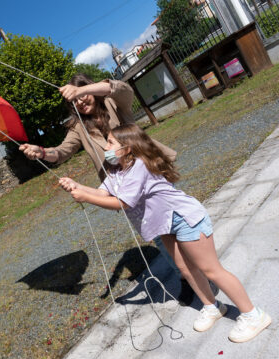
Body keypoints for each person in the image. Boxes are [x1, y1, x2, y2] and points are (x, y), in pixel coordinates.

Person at [58, 123, 272, 342]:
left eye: (111, 142)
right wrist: (78, 186)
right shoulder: (116, 170)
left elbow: (124, 202)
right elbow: (102, 192)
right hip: (164, 225)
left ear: (128, 147)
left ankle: (253, 315)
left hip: (184, 218)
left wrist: (85, 198)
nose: (106, 146)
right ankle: (212, 306)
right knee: (186, 269)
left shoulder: (139, 166)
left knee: (211, 270)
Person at [19, 73, 198, 304]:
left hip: (148, 171)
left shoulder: (114, 102)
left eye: (83, 95)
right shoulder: (78, 127)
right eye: (75, 101)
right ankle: (184, 277)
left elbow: (123, 88)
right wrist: (42, 152)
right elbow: (61, 152)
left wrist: (80, 91)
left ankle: (199, 260)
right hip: (121, 182)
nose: (81, 102)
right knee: (157, 232)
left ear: (89, 90)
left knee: (176, 218)